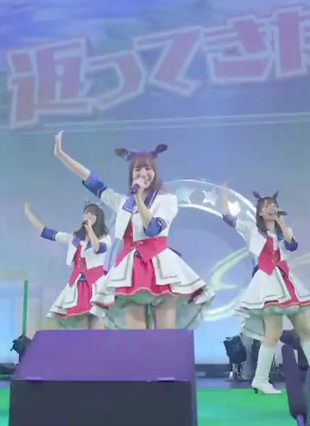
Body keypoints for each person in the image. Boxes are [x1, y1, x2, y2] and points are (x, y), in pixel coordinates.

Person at [53, 131, 214, 329]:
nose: (143, 173)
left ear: (155, 172)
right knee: (136, 338)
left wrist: (138, 197)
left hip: (162, 267)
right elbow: (92, 181)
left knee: (165, 338)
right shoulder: (122, 202)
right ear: (131, 175)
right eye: (137, 169)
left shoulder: (167, 200)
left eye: (147, 168)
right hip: (130, 270)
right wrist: (61, 155)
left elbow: (153, 229)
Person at [220, 185, 310, 395]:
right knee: (273, 333)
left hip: (286, 281)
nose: (272, 208)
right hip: (267, 281)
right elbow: (229, 219)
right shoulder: (252, 229)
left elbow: (292, 246)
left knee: (304, 330)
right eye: (267, 206)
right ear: (260, 212)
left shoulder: (283, 231)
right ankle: (260, 379)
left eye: (274, 205)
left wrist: (282, 222)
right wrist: (224, 195)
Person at [25, 201, 111, 329]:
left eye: (91, 214)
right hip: (78, 284)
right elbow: (49, 233)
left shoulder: (105, 237)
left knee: (96, 318)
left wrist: (90, 230)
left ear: (97, 218)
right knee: (80, 319)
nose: (87, 216)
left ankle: (102, 342)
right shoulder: (74, 238)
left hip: (95, 283)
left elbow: (98, 248)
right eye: (86, 213)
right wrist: (29, 214)